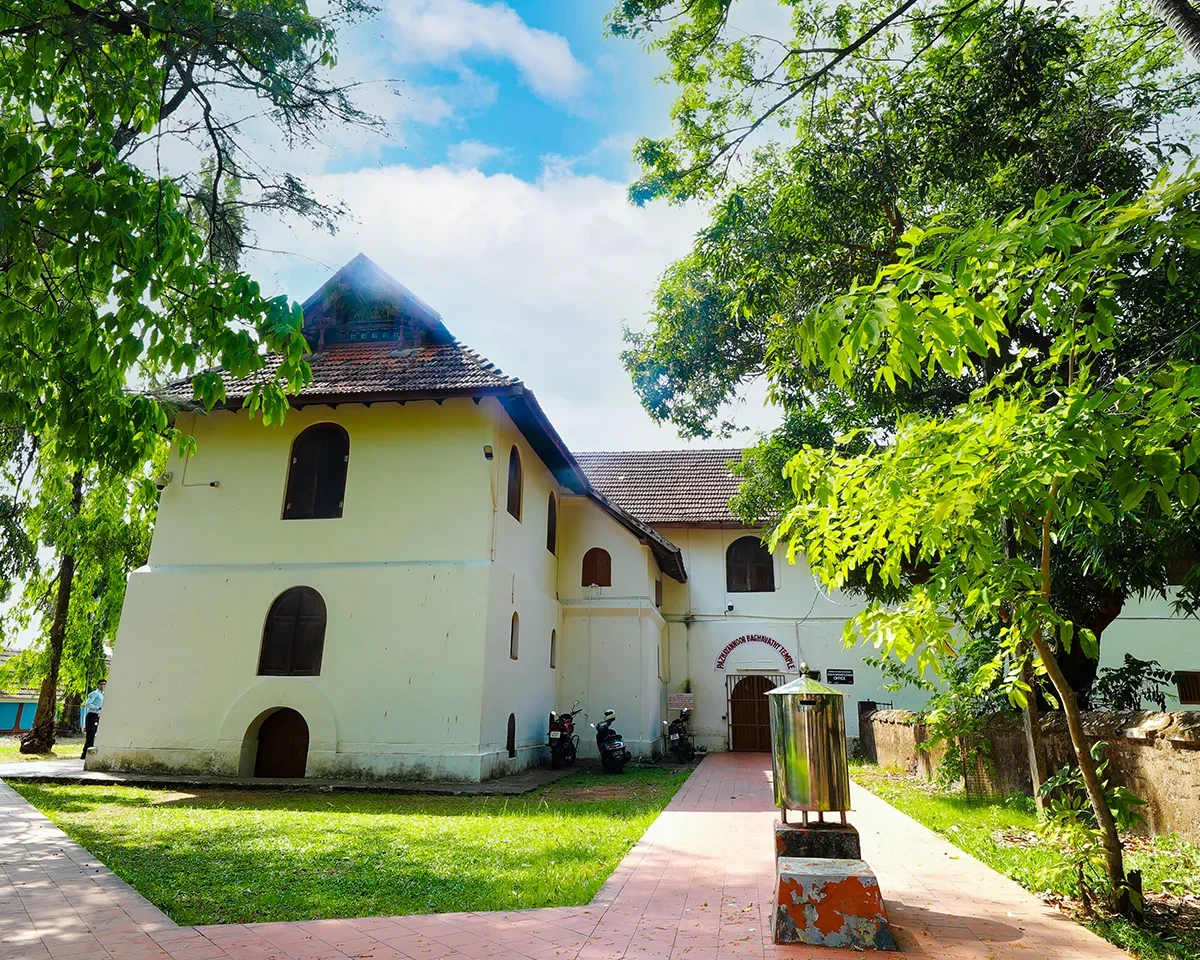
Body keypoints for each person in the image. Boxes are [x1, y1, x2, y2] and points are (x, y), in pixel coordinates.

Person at [80, 680, 105, 759]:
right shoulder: (95, 694)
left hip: (98, 716)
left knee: (94, 734)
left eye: (104, 684)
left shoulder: (103, 695)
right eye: (101, 684)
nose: (103, 686)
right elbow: (88, 704)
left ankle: (85, 753)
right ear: (98, 685)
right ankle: (87, 754)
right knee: (90, 735)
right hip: (92, 715)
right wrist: (97, 708)